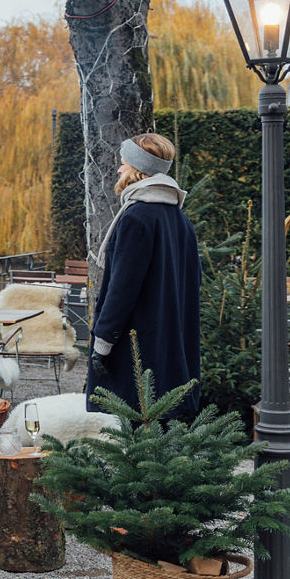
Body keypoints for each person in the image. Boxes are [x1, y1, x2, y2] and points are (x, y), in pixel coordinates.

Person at [86, 133, 201, 419]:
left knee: (127, 431)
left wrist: (103, 342)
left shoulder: (137, 217)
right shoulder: (180, 220)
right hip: (170, 344)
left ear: (139, 169)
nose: (118, 169)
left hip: (136, 348)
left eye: (123, 163)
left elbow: (121, 289)